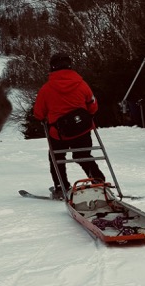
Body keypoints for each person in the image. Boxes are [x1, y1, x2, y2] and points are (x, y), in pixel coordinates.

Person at [33, 52, 105, 199]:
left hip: (59, 133)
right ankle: (98, 179)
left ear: (52, 67)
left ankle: (61, 186)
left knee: (56, 158)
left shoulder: (46, 89)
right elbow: (93, 106)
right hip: (82, 130)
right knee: (82, 154)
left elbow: (38, 113)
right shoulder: (82, 84)